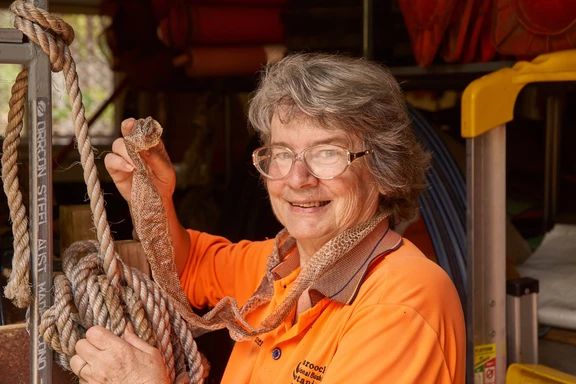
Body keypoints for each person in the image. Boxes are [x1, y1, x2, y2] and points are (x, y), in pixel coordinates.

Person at [70, 53, 465, 383]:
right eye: (282, 153)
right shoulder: (281, 268)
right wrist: (154, 200)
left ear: (383, 168)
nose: (298, 178)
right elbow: (186, 267)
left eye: (327, 152)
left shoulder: (403, 301)